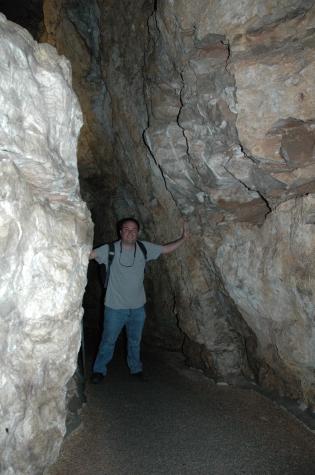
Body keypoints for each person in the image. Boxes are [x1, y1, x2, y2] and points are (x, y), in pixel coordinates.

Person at [89, 217, 188, 383]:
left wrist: (184, 238)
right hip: (114, 307)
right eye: (126, 229)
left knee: (135, 341)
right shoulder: (110, 249)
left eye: (133, 229)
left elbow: (165, 249)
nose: (130, 232)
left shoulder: (144, 248)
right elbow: (89, 255)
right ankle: (99, 371)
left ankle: (136, 368)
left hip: (137, 308)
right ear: (120, 232)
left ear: (138, 232)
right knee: (108, 341)